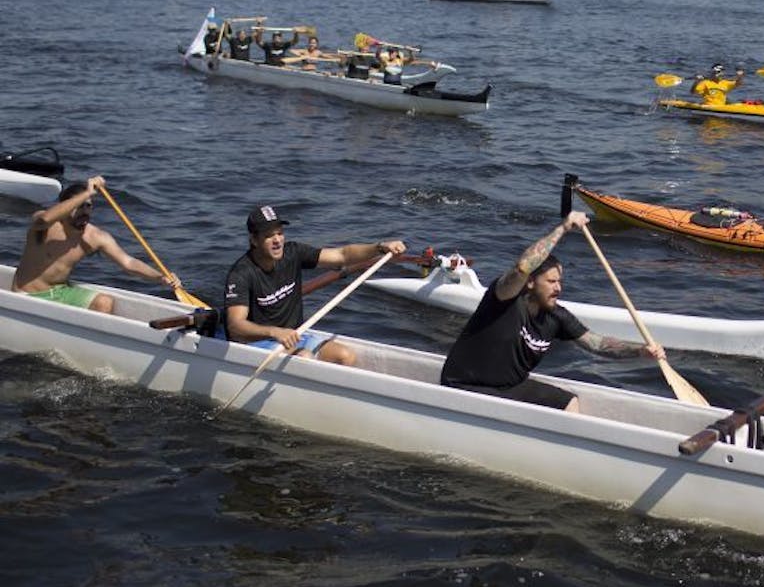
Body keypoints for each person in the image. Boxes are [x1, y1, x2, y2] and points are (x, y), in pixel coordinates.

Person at [439, 210, 666, 412]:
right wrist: (563, 228)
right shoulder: (504, 299)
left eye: (560, 281)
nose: (558, 287)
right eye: (551, 281)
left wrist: (641, 351)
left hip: (509, 387)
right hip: (464, 386)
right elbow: (522, 267)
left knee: (570, 402)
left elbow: (597, 344)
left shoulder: (557, 316)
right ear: (530, 283)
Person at [223, 204, 405, 366]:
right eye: (269, 236)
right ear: (254, 240)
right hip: (257, 344)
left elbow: (342, 255)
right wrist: (275, 332)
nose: (277, 240)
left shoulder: (293, 253)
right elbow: (236, 326)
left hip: (295, 337)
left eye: (280, 233)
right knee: (305, 359)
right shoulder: (241, 273)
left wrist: (380, 247)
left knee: (345, 356)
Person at [10, 176, 178, 315]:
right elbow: (44, 219)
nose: (84, 212)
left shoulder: (94, 236)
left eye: (88, 206)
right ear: (64, 208)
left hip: (61, 291)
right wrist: (88, 192)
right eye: (78, 206)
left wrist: (160, 277)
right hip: (28, 296)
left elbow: (128, 263)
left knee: (104, 302)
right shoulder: (44, 226)